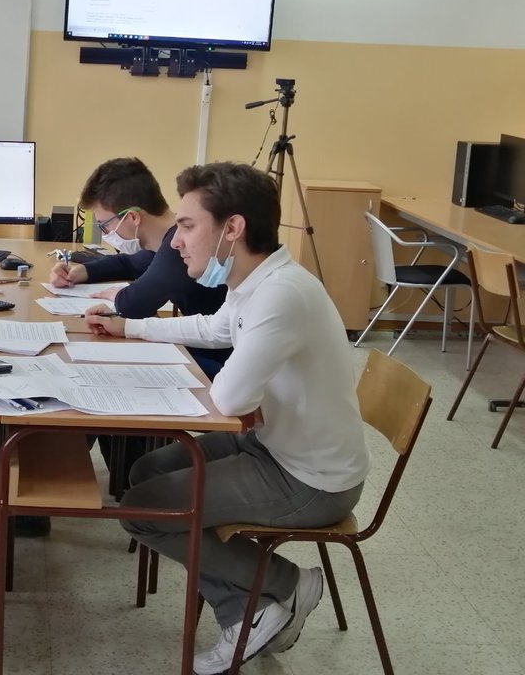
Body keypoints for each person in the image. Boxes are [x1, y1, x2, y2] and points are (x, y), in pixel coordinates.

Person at [85, 162, 370, 674]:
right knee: (147, 471)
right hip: (273, 445)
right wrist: (129, 327)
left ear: (232, 228)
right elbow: (215, 328)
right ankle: (250, 607)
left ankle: (281, 586)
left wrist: (214, 383)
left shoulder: (282, 295)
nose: (175, 241)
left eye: (188, 225)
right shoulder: (258, 280)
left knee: (143, 509)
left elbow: (232, 398)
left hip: (311, 479)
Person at [49, 157, 230, 378]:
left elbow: (133, 305)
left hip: (218, 361)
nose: (106, 234)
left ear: (132, 217)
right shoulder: (167, 240)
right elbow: (128, 263)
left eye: (104, 226)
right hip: (202, 346)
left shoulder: (177, 248)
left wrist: (119, 295)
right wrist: (83, 272)